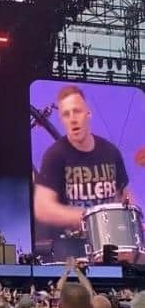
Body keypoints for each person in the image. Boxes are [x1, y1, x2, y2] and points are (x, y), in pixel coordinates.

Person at [34, 85, 130, 245]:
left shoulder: (111, 152)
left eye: (77, 111)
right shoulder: (54, 156)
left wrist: (132, 220)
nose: (72, 118)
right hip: (72, 248)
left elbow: (124, 194)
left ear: (88, 113)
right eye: (66, 114)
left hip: (112, 243)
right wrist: (91, 217)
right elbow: (42, 207)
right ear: (61, 120)